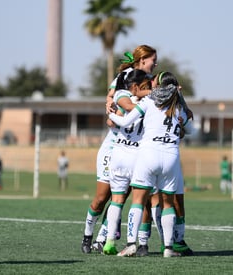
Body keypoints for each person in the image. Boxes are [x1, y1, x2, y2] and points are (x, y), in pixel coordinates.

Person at [81, 45, 157, 253]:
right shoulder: (126, 79)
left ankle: (120, 241)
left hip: (138, 150)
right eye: (153, 60)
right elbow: (113, 101)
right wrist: (113, 112)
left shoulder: (152, 84)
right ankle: (89, 236)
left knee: (138, 198)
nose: (156, 64)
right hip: (115, 146)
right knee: (102, 198)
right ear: (142, 61)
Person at [108, 82, 192, 257]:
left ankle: (131, 244)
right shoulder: (179, 108)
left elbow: (124, 121)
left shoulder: (148, 101)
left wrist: (110, 114)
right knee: (168, 203)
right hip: (171, 158)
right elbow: (189, 129)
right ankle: (168, 248)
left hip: (148, 155)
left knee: (138, 200)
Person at [102, 69, 152, 255]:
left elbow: (114, 119)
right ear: (137, 85)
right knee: (140, 201)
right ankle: (136, 242)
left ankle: (109, 242)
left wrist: (113, 114)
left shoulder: (122, 96)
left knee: (117, 199)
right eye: (146, 82)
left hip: (119, 153)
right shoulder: (149, 100)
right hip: (137, 156)